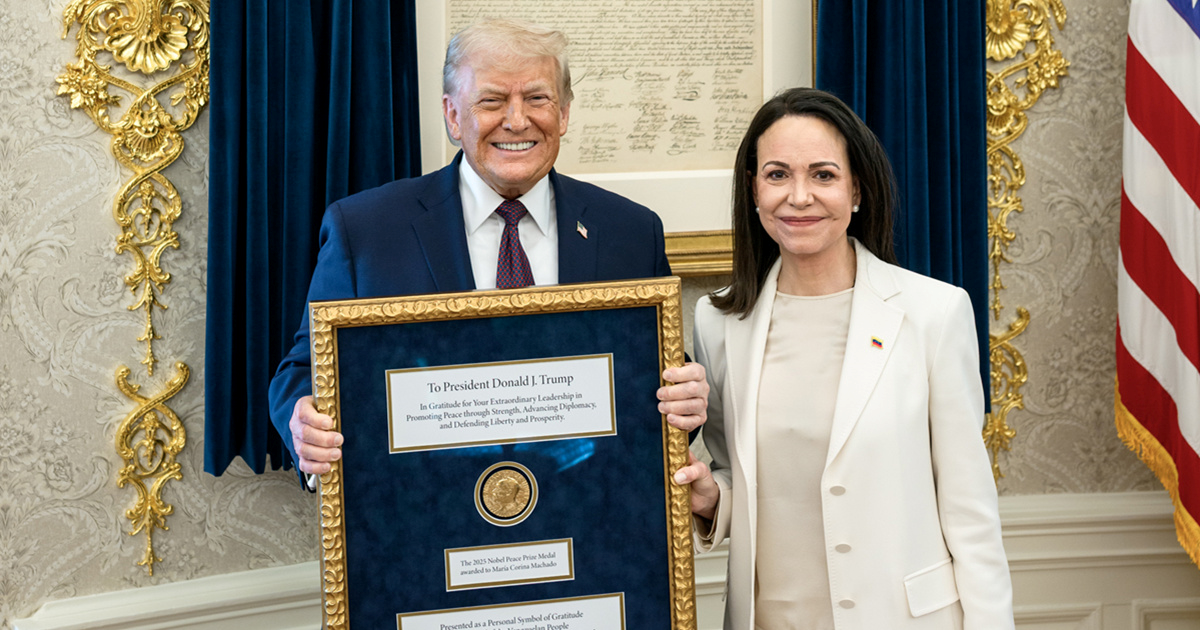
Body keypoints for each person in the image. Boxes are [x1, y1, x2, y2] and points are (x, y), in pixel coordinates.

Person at [268, 19, 709, 487]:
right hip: (422, 507)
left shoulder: (630, 231)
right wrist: (305, 423)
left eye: (537, 99)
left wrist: (685, 399)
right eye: (492, 101)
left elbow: (657, 376)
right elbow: (305, 369)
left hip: (586, 506)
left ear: (563, 113)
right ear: (453, 116)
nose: (517, 121)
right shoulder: (366, 231)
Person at [676, 88, 1013, 629]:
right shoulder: (718, 322)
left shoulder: (935, 313)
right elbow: (739, 475)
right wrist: (713, 499)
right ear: (754, 189)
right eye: (778, 175)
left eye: (823, 175)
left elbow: (969, 508)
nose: (799, 196)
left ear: (856, 189)